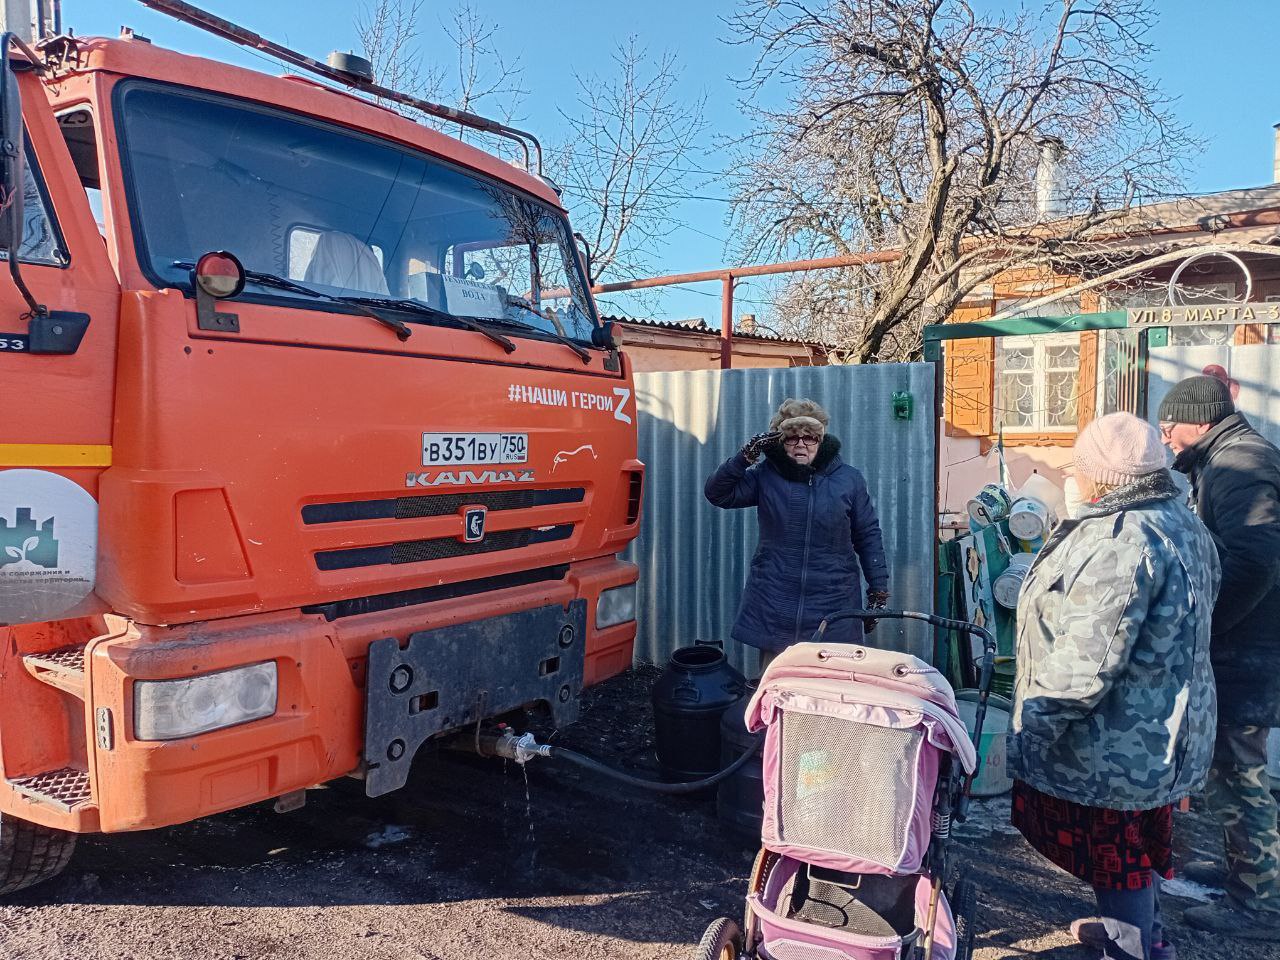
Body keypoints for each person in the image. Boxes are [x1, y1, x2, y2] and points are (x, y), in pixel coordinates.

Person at [1009, 412, 1220, 960]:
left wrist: (1033, 726)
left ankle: (1131, 949)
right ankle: (1143, 934)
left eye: (1080, 466)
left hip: (1116, 737)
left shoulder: (1123, 539)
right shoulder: (1180, 520)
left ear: (1102, 475)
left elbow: (1088, 660)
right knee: (1136, 841)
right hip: (1160, 727)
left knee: (1115, 849)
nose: (1074, 475)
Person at [1156, 374, 1280, 938]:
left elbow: (1254, 561)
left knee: (1237, 773)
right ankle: (1246, 871)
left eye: (1170, 424)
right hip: (1246, 646)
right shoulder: (1226, 460)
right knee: (1232, 770)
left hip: (1246, 650)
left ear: (1200, 421)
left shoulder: (1239, 466)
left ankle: (1259, 903)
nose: (1165, 434)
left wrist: (1209, 626)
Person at [704, 397, 889, 671]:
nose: (801, 444)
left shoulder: (848, 479)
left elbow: (867, 534)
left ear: (821, 440)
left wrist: (878, 590)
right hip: (776, 600)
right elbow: (718, 493)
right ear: (780, 442)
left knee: (832, 683)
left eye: (809, 437)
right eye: (792, 437)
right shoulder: (766, 475)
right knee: (779, 681)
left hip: (834, 601)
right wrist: (745, 457)